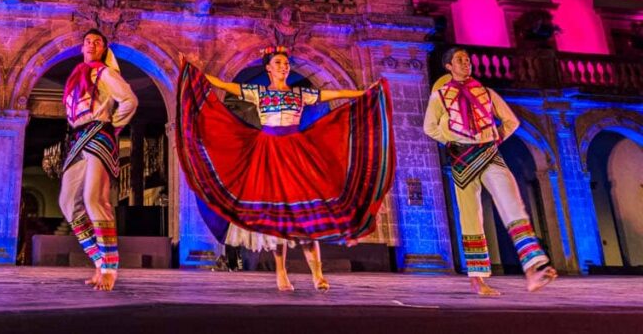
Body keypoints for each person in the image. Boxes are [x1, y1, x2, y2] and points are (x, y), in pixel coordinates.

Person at [179, 46, 394, 292]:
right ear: (268, 68)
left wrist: (363, 92)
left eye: (286, 64)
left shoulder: (300, 94)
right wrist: (191, 70)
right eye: (279, 63)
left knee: (307, 213)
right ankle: (281, 273)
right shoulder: (257, 92)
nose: (284, 67)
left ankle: (318, 274)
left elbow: (333, 94)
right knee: (277, 216)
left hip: (295, 152)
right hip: (268, 152)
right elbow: (223, 85)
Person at [423, 46, 557, 296]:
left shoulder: (485, 92)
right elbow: (430, 127)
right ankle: (477, 280)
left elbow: (511, 121)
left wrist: (494, 140)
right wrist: (453, 142)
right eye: (459, 60)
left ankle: (533, 268)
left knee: (512, 203)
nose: (466, 63)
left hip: (488, 152)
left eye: (467, 59)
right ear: (449, 66)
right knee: (471, 216)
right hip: (462, 158)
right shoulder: (440, 96)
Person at [58, 29, 138, 291]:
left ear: (104, 49)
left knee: (95, 200)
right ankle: (98, 262)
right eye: (88, 42)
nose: (92, 45)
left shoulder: (105, 73)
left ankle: (110, 269)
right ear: (82, 47)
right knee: (68, 202)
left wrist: (111, 127)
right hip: (78, 137)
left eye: (97, 42)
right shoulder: (76, 75)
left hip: (98, 133)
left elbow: (129, 100)